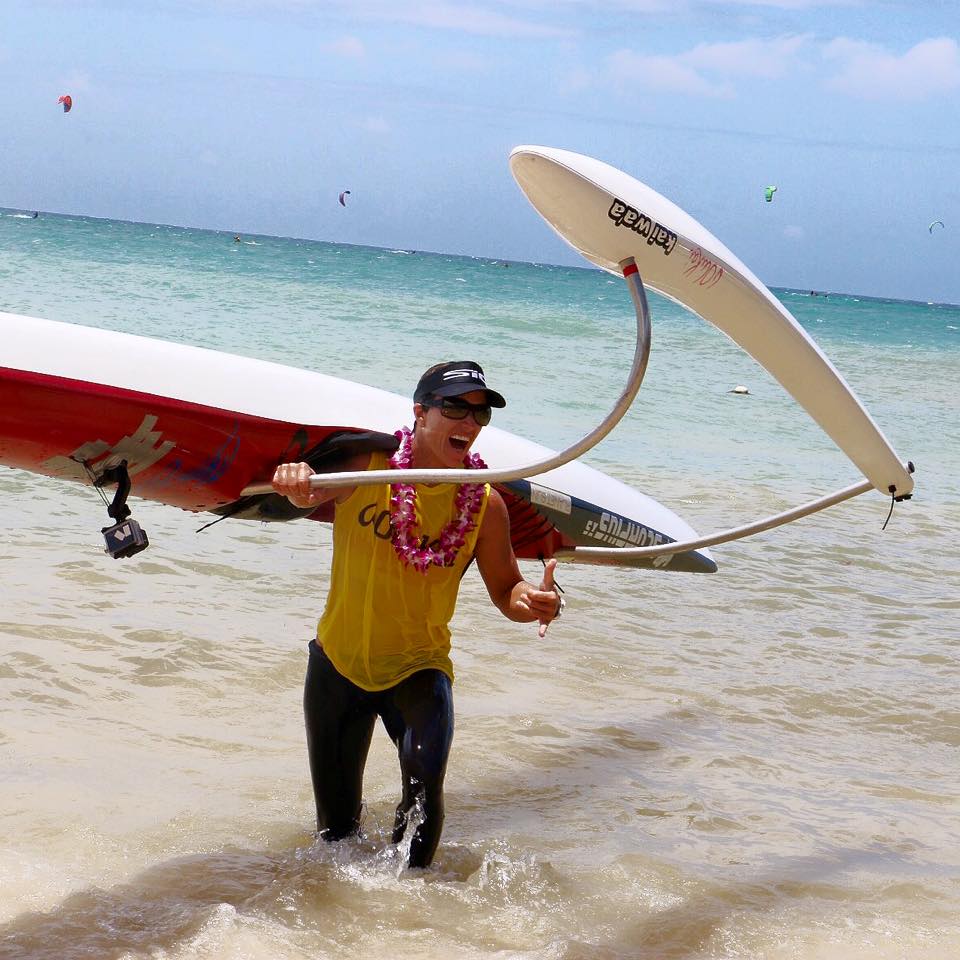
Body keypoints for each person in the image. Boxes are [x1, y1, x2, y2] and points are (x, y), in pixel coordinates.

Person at [272, 360, 563, 868]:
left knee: (424, 799)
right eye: (455, 408)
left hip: (418, 669)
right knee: (335, 834)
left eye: (480, 414)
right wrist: (295, 478)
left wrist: (534, 601)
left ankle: (413, 904)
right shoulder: (368, 466)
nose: (469, 422)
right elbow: (309, 492)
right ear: (420, 413)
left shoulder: (485, 504)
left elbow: (506, 589)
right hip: (337, 666)